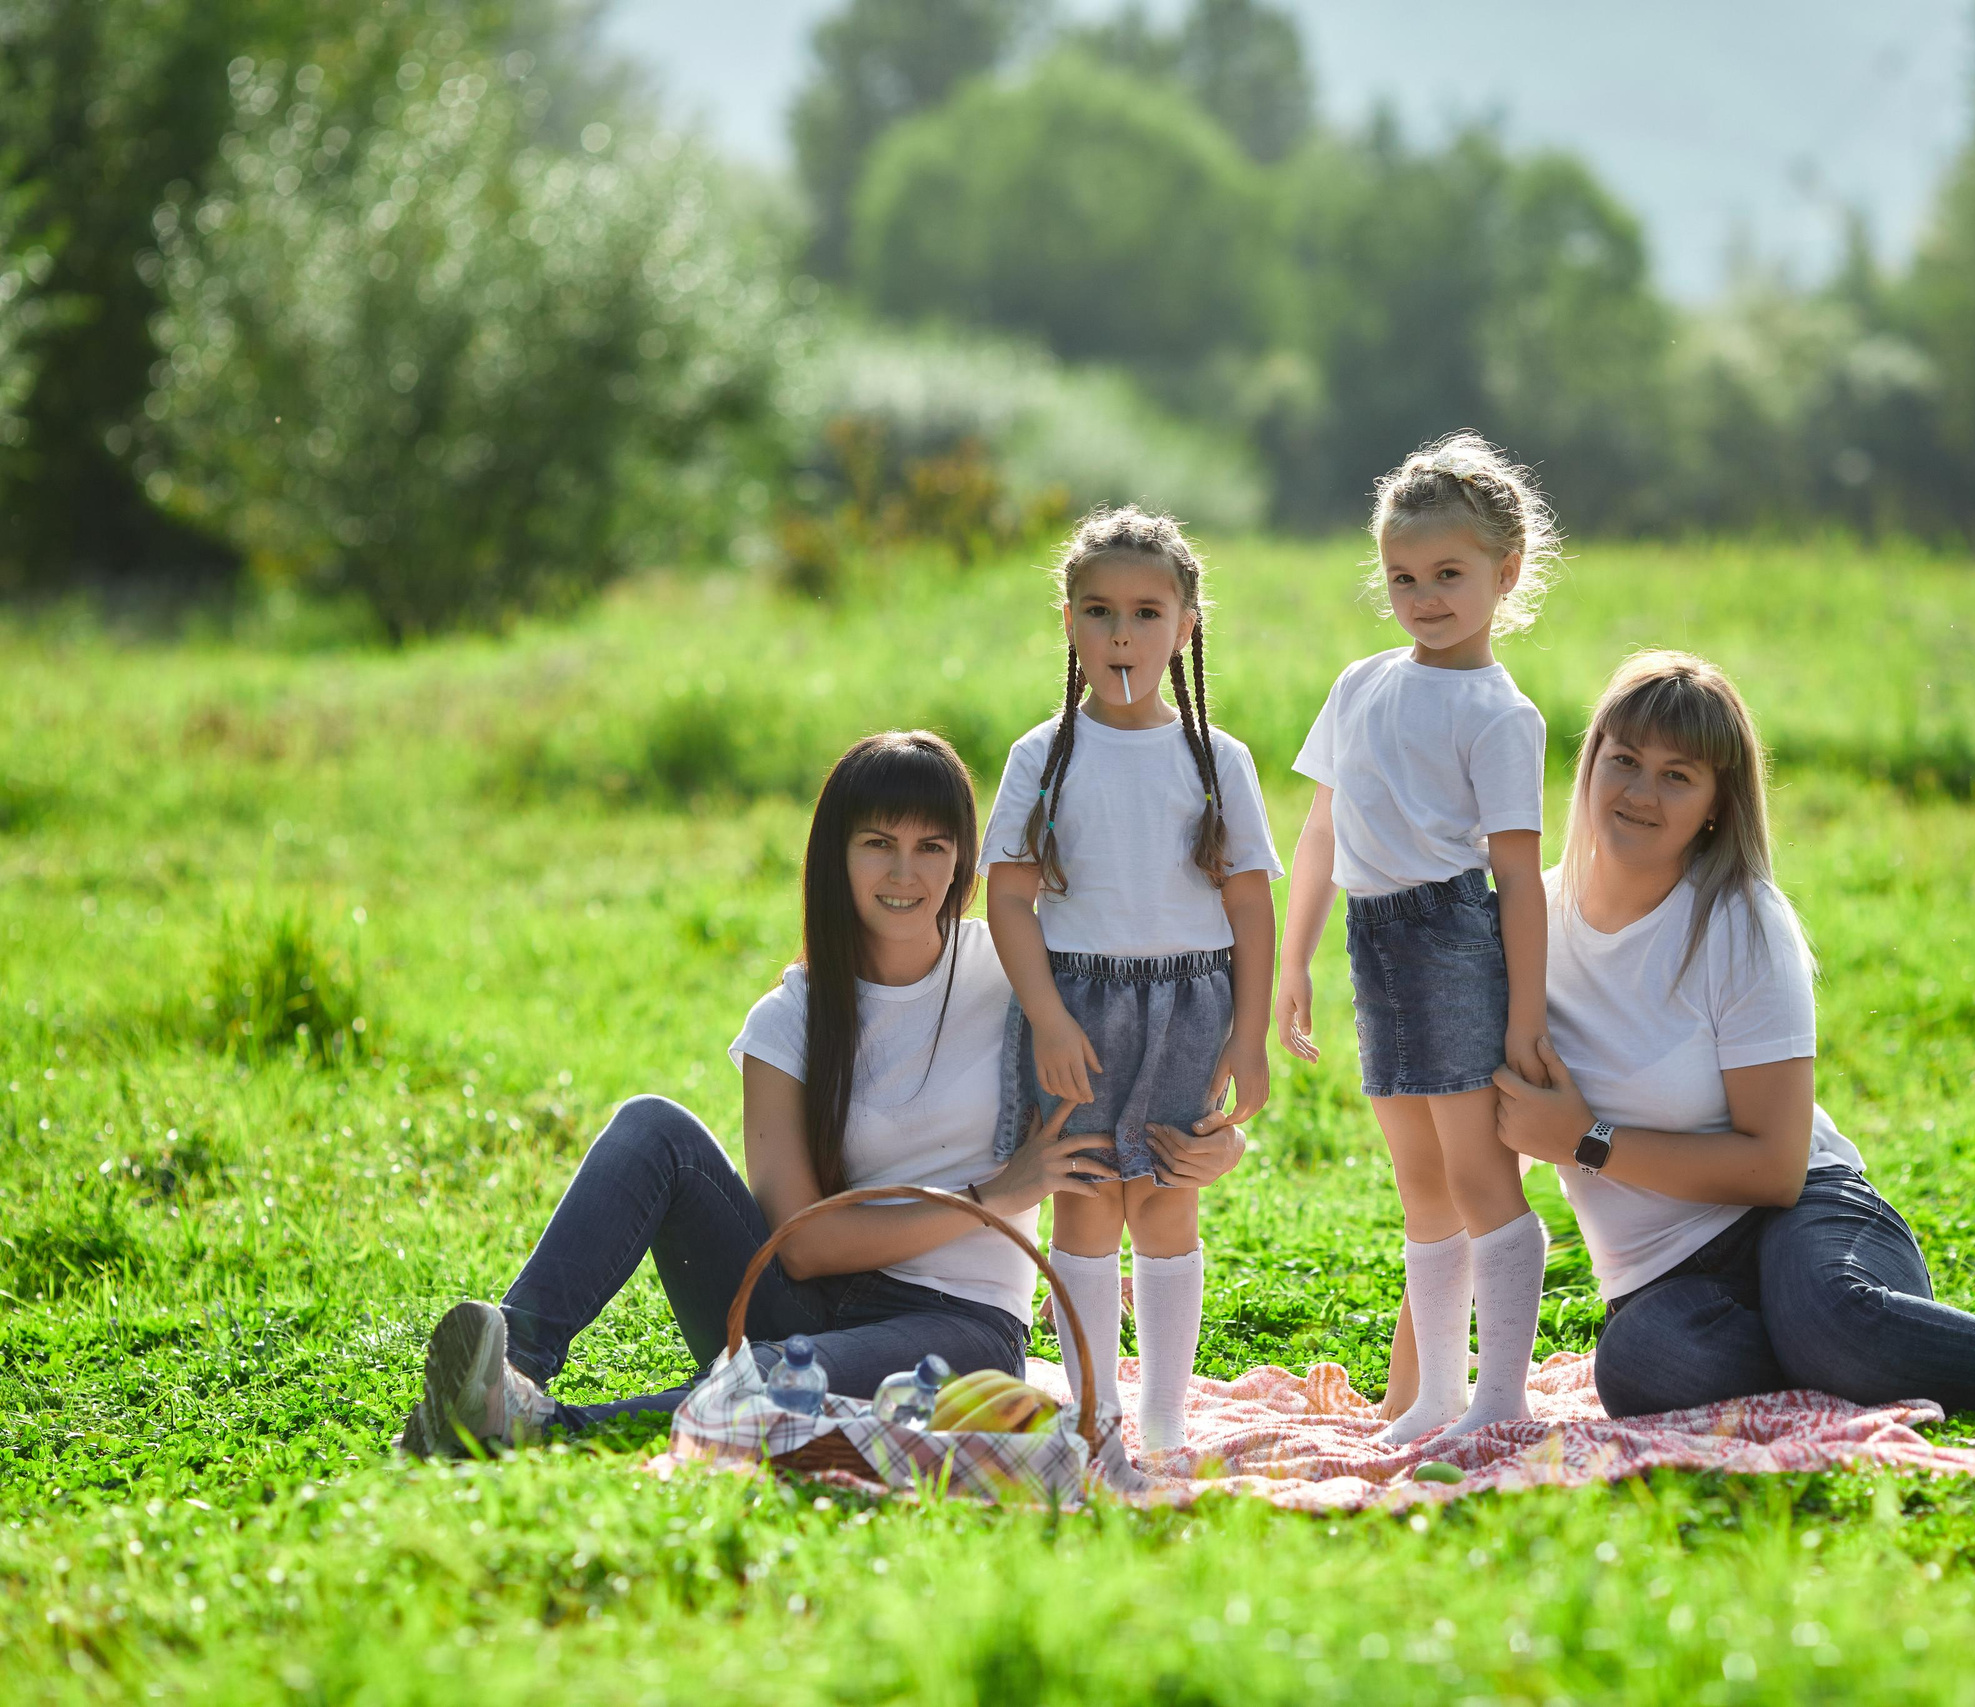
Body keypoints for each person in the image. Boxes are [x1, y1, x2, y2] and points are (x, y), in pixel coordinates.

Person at [401, 730, 1246, 1456]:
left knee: (766, 1381)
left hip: (960, 1322)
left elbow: (1132, 1088)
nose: (905, 872)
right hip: (801, 1295)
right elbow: (798, 1245)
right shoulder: (793, 1016)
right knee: (652, 1126)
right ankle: (513, 1370)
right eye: (878, 842)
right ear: (835, 855)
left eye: (932, 846)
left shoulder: (1013, 972)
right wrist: (994, 1194)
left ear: (964, 860)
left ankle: (541, 1429)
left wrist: (1217, 1140)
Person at [1484, 650, 1975, 1432]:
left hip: (1802, 1218)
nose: (1642, 792)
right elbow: (1461, 1149)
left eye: (1679, 775)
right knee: (1639, 1365)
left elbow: (1775, 1170)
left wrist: (1587, 1140)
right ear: (1589, 762)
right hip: (1665, 1282)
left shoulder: (1740, 920)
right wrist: (1421, 1375)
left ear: (1716, 803)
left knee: (1827, 1316)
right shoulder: (1527, 922)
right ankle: (1873, 1354)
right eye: (1625, 760)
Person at [982, 509, 1283, 1455]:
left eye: (1148, 612)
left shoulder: (1215, 760)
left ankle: (1162, 1415)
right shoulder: (1041, 758)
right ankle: (1093, 1413)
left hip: (1191, 1001)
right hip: (1076, 1004)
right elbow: (1009, 902)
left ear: (1188, 625)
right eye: (1099, 610)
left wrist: (1248, 1035)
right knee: (1084, 1193)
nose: (1123, 633)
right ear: (1067, 622)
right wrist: (1048, 1018)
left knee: (1166, 1192)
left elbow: (1249, 911)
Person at [1279, 432, 1558, 1445]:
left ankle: (1501, 1398)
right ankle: (1434, 1396)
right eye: (1403, 577)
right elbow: (1320, 830)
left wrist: (1522, 1017)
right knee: (1419, 1183)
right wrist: (1292, 957)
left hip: (1449, 941)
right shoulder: (1360, 684)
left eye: (1449, 574)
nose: (1424, 595)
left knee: (1481, 1179)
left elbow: (1518, 879)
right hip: (1373, 942)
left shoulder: (1499, 713)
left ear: (1505, 572)